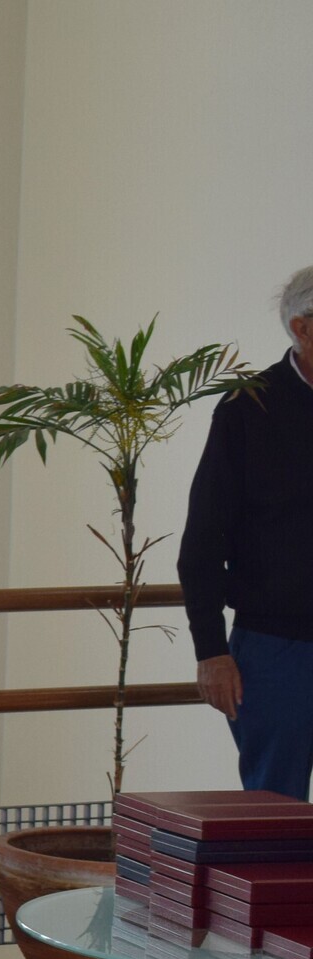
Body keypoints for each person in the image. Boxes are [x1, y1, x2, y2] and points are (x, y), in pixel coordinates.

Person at [179, 265, 313, 796]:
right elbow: (203, 538)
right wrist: (210, 650)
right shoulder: (249, 407)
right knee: (276, 811)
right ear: (302, 328)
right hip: (275, 647)